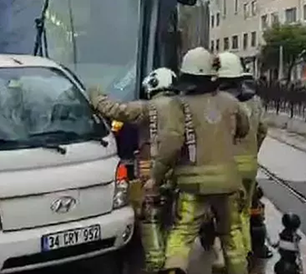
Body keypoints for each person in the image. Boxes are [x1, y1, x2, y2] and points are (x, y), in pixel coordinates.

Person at [150, 47, 250, 274]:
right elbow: (243, 130)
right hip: (227, 184)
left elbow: (171, 144)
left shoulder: (179, 104)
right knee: (232, 234)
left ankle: (174, 270)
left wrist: (155, 178)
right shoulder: (231, 102)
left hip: (192, 185)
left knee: (183, 233)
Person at [88, 68, 181, 272]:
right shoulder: (184, 106)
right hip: (180, 172)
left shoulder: (148, 107)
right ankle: (172, 261)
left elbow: (116, 110)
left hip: (152, 171)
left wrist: (95, 95)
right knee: (173, 220)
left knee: (150, 217)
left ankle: (157, 264)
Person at [216, 52, 272, 260]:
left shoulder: (218, 102)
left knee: (225, 216)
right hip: (249, 166)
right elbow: (263, 130)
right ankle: (246, 254)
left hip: (226, 167)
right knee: (244, 214)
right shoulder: (255, 101)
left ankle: (228, 259)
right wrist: (252, 152)